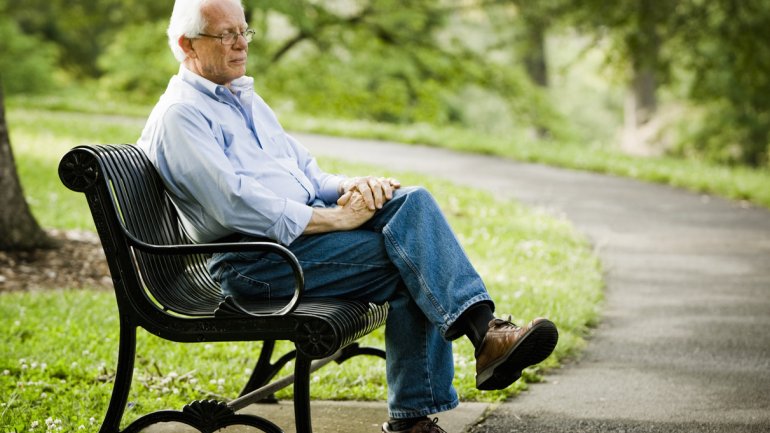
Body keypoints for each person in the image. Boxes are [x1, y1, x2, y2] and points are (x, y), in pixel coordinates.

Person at [137, 0, 559, 431]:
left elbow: (306, 172)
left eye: (244, 31)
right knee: (411, 262)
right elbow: (235, 205)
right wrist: (336, 220)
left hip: (295, 246)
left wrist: (355, 186)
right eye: (226, 35)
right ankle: (433, 397)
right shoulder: (181, 115)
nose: (241, 44)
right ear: (187, 44)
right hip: (256, 264)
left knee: (411, 200)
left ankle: (485, 335)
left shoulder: (242, 98)